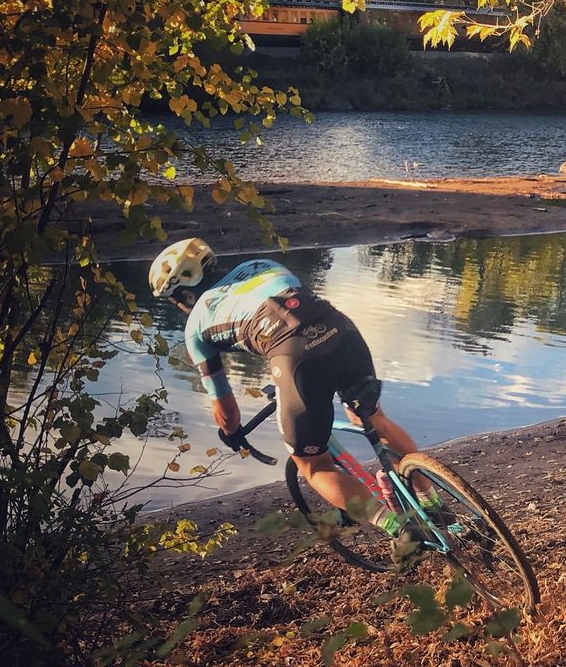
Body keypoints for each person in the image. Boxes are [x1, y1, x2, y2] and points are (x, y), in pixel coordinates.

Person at [148, 236, 427, 563]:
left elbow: (226, 411)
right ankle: (433, 503)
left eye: (175, 300)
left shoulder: (196, 325)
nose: (179, 306)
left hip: (293, 356)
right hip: (340, 329)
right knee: (371, 418)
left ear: (185, 293)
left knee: (313, 465)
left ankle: (399, 529)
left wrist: (232, 432)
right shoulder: (261, 266)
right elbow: (296, 315)